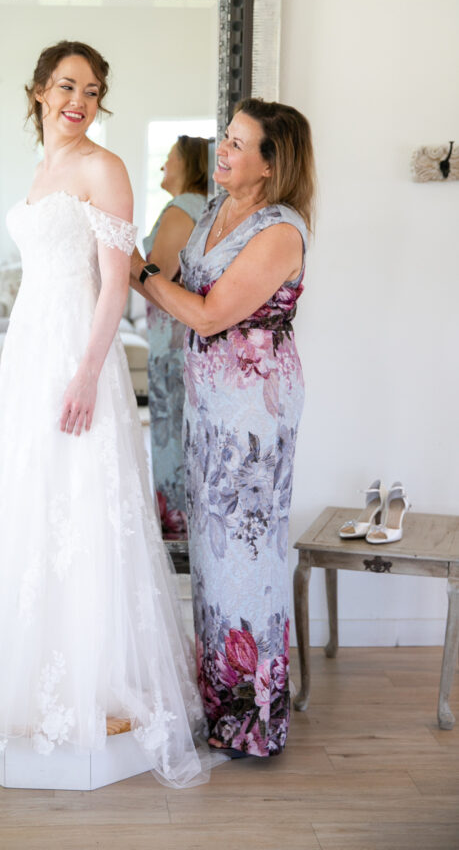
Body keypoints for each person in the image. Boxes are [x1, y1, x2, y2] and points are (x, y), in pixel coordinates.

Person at [0, 41, 209, 788]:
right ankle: (30, 677)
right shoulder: (43, 170)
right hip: (29, 354)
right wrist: (6, 366)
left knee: (80, 509)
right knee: (27, 505)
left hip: (78, 359)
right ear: (37, 92)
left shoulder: (103, 168)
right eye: (64, 85)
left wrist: (88, 371)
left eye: (90, 88)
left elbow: (112, 287)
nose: (77, 99)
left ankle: (89, 685)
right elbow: (38, 284)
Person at [131, 98, 315, 758]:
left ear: (270, 164)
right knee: (211, 559)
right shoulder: (212, 211)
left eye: (237, 143)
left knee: (245, 559)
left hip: (251, 419)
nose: (222, 151)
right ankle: (220, 709)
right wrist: (143, 269)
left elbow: (207, 316)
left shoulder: (279, 231)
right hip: (207, 408)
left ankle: (254, 722)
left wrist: (140, 270)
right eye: (224, 139)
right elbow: (180, 282)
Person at [143, 136, 208, 539]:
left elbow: (157, 278)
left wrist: (120, 256)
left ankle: (176, 534)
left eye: (168, 160)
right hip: (183, 338)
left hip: (171, 343)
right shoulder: (206, 209)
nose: (162, 168)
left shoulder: (181, 209)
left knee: (170, 436)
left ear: (188, 164)